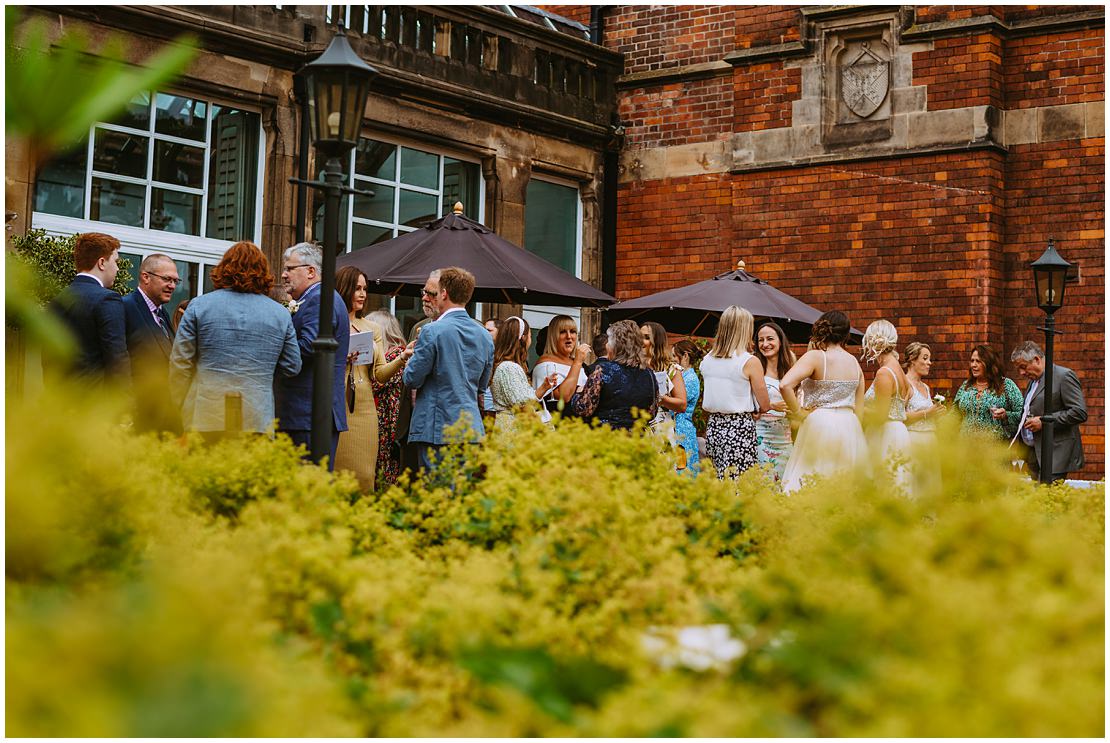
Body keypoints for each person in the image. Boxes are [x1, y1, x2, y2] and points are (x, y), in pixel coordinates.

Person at [169, 241, 301, 436]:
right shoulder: (279, 314)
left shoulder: (199, 306)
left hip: (206, 415)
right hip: (256, 416)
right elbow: (292, 365)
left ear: (224, 269)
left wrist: (175, 407)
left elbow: (180, 364)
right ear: (263, 273)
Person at [402, 267, 493, 470]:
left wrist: (409, 362)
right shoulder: (485, 335)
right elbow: (482, 385)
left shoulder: (432, 331)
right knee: (460, 497)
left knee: (437, 494)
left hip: (437, 427)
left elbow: (412, 379)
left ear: (444, 293)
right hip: (469, 428)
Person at [273, 242, 350, 469]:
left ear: (311, 271)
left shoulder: (319, 299)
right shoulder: (315, 298)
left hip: (308, 413)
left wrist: (270, 353)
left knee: (305, 487)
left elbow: (308, 347)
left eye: (290, 269)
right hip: (308, 413)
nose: (284, 275)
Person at [333, 267, 410, 491]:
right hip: (338, 402)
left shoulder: (372, 327)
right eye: (357, 288)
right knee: (337, 472)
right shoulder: (330, 323)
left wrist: (402, 358)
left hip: (366, 408)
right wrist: (340, 357)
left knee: (365, 475)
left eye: (365, 289)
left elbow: (379, 375)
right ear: (343, 288)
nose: (363, 294)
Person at [778, 310, 868, 494]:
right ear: (846, 334)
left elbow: (785, 385)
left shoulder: (816, 356)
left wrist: (799, 413)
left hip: (820, 423)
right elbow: (860, 409)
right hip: (850, 425)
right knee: (845, 482)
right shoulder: (854, 363)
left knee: (811, 476)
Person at [46, 232, 130, 384]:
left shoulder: (57, 300)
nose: (118, 268)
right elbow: (117, 360)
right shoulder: (107, 299)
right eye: (116, 261)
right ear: (102, 263)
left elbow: (47, 360)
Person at [699, 306, 771, 480]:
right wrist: (757, 409)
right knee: (740, 482)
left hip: (714, 425)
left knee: (718, 479)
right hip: (739, 426)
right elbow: (765, 404)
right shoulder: (749, 361)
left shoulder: (707, 359)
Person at [556, 319, 658, 430]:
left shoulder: (603, 371)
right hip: (637, 440)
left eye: (609, 341)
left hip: (607, 439)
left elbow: (583, 409)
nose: (607, 346)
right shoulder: (649, 374)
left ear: (616, 345)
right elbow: (652, 413)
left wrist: (578, 393)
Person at [1011, 341, 1087, 482]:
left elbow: (1079, 412)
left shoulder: (1064, 376)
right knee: (1038, 501)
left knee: (1046, 499)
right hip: (1034, 455)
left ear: (1036, 360)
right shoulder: (1033, 381)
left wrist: (1044, 422)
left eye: (1023, 367)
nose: (1021, 373)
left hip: (1054, 455)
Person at [122, 253, 181, 432]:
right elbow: (118, 361)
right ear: (145, 277)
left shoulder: (162, 313)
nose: (172, 286)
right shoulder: (125, 307)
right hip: (137, 419)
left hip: (161, 420)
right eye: (167, 279)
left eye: (175, 281)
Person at [861, 319, 913, 496]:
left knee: (883, 488)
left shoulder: (884, 372)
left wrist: (856, 407)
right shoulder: (896, 367)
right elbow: (910, 391)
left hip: (884, 435)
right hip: (898, 431)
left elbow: (881, 415)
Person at [489, 316, 559, 428]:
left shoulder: (507, 366)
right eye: (530, 335)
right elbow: (522, 404)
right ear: (523, 338)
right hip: (513, 427)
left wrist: (544, 387)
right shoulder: (509, 368)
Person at [368, 309, 408, 489]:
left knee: (386, 465)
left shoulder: (397, 355)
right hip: (380, 418)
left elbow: (376, 382)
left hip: (388, 420)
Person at [754, 322, 796, 482]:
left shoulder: (791, 369)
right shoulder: (754, 368)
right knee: (766, 485)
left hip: (785, 439)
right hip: (762, 438)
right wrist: (768, 407)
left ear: (780, 340)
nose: (765, 344)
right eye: (760, 340)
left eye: (770, 339)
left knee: (786, 486)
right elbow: (747, 405)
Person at [952, 344, 1022, 441]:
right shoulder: (966, 386)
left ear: (989, 363)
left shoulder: (1006, 385)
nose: (973, 365)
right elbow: (954, 414)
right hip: (965, 448)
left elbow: (1021, 415)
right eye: (972, 361)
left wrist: (1005, 415)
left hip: (994, 449)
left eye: (978, 361)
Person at [533, 315, 588, 418]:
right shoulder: (545, 364)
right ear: (553, 337)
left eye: (572, 331)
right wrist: (577, 362)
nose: (569, 336)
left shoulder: (576, 362)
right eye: (562, 332)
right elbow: (564, 397)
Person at [640, 322, 688, 439]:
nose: (640, 341)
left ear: (657, 342)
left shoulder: (671, 369)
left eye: (646, 337)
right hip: (635, 428)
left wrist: (661, 399)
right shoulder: (632, 366)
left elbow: (682, 405)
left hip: (661, 431)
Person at [902, 342, 943, 447]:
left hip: (930, 439)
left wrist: (937, 412)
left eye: (929, 359)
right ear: (912, 359)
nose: (929, 363)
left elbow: (930, 414)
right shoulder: (905, 384)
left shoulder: (926, 387)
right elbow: (899, 415)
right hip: (914, 440)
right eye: (925, 359)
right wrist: (927, 413)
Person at [672, 339, 703, 475]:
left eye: (674, 356)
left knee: (682, 470)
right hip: (678, 427)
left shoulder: (690, 379)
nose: (672, 360)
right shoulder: (682, 376)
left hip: (682, 429)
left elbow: (677, 404)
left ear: (685, 356)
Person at [481, 317, 502, 421]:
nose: (485, 333)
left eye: (489, 330)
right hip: (482, 406)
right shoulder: (481, 350)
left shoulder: (504, 355)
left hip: (495, 410)